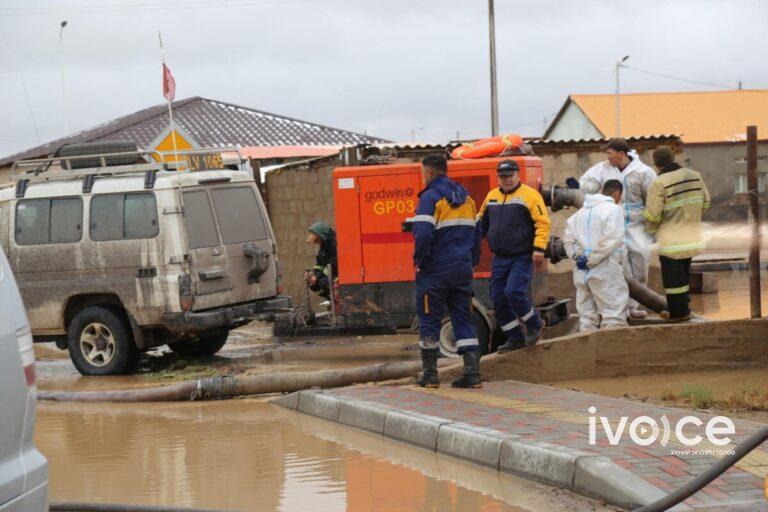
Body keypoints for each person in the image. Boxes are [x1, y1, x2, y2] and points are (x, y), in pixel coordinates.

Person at [412, 154, 482, 388]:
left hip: (435, 271)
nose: (423, 177)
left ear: (429, 173)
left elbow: (422, 233)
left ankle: (430, 376)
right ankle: (473, 376)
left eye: (423, 173)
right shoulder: (468, 199)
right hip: (462, 269)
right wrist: (472, 261)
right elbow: (476, 233)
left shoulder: (430, 197)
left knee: (429, 319)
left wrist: (419, 259)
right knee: (463, 318)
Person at [477, 159, 551, 352]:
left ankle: (535, 323)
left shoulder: (530, 196)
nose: (507, 180)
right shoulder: (491, 196)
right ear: (498, 178)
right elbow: (481, 223)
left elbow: (542, 223)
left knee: (513, 292)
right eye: (503, 176)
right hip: (500, 258)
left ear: (518, 176)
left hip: (522, 256)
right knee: (497, 298)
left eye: (510, 176)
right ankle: (515, 337)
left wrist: (539, 248)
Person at [579, 138, 657, 320]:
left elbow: (654, 200)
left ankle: (633, 307)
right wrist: (577, 186)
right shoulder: (603, 169)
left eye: (610, 153)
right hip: (612, 227)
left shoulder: (643, 172)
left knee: (639, 268)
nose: (607, 156)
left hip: (637, 228)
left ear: (621, 154)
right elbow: (589, 183)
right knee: (617, 269)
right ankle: (618, 308)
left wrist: (653, 229)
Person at [644, 146, 710, 321]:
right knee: (684, 277)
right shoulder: (695, 176)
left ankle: (678, 315)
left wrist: (651, 232)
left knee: (674, 284)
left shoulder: (659, 183)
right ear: (673, 158)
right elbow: (705, 203)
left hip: (671, 242)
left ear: (656, 164)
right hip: (691, 238)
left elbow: (653, 215)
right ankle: (683, 310)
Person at [564, 180, 628, 332]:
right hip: (605, 269)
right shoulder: (614, 210)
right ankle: (612, 349)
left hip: (581, 272)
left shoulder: (577, 215)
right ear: (618, 194)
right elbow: (611, 238)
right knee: (613, 315)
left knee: (587, 316)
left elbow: (568, 241)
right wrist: (591, 259)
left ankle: (587, 350)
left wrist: (579, 257)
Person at [305, 221, 337, 299]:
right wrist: (312, 273)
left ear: (321, 236)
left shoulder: (334, 245)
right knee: (312, 283)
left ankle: (336, 300)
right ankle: (331, 299)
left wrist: (317, 276)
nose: (316, 243)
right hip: (330, 273)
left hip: (338, 274)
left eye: (316, 240)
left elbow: (333, 266)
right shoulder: (324, 246)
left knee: (324, 282)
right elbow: (320, 264)